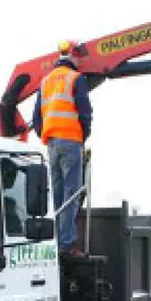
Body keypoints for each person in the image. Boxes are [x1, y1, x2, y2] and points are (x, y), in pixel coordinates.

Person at [32, 40, 93, 257]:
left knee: (56, 195)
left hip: (52, 144)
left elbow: (36, 118)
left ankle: (56, 241)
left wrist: (46, 136)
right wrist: (83, 135)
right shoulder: (76, 79)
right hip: (70, 140)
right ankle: (66, 244)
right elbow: (85, 112)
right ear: (74, 56)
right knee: (71, 194)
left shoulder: (46, 81)